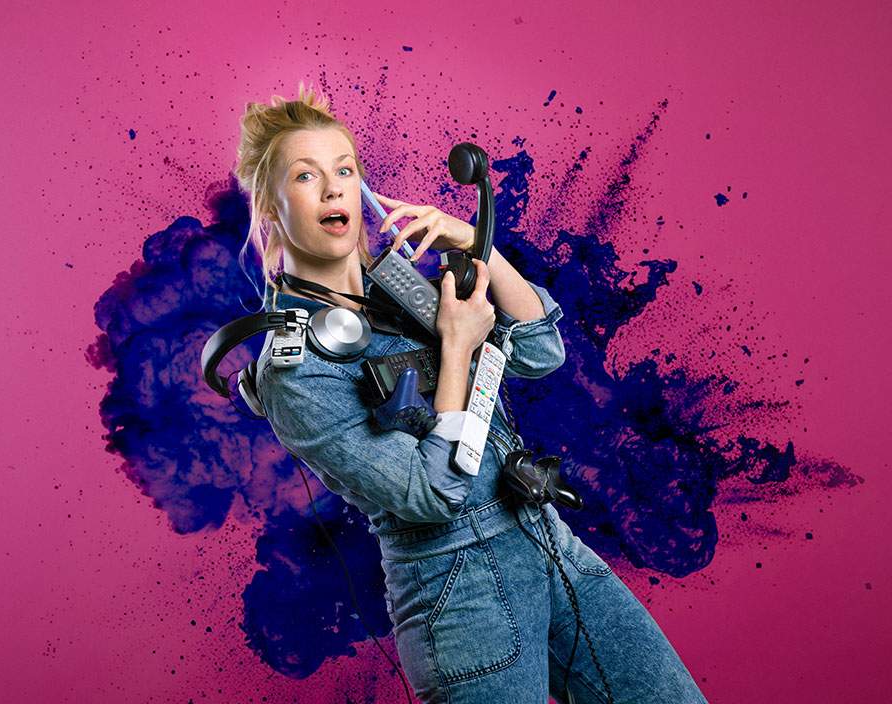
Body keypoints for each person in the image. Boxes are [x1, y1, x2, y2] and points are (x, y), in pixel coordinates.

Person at [232, 85, 707, 704]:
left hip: (545, 540)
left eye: (344, 170)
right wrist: (456, 349)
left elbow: (541, 351)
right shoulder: (295, 371)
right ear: (270, 210)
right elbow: (431, 494)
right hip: (458, 590)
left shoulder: (403, 290)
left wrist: (471, 240)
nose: (332, 189)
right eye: (305, 176)